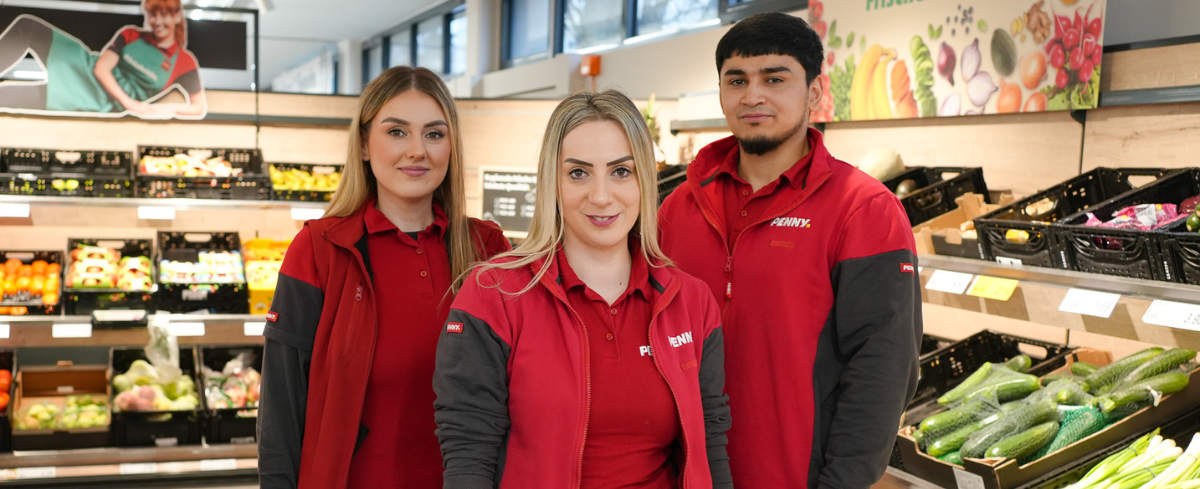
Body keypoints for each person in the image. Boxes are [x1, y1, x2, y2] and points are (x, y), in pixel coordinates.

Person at [657, 12, 923, 489]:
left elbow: (883, 368)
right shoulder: (679, 206)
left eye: (774, 79)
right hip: (684, 476)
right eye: (737, 80)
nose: (752, 96)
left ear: (815, 92)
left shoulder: (865, 210)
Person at [432, 90, 733, 489]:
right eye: (578, 173)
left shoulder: (691, 302)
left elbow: (710, 444)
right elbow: (469, 455)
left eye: (621, 171)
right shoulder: (494, 295)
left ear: (644, 179)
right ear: (552, 183)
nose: (601, 196)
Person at [257, 66, 511, 489]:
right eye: (396, 132)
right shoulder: (320, 250)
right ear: (363, 144)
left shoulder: (488, 251)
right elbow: (281, 410)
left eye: (434, 134)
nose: (417, 151)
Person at [0, 0, 206, 119]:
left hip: (96, 100)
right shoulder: (131, 34)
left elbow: (198, 107)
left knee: (5, 97)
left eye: (164, 15)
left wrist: (164, 110)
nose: (157, 21)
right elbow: (101, 67)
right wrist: (130, 104)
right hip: (84, 67)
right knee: (27, 27)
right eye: (153, 15)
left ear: (177, 16)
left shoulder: (185, 62)